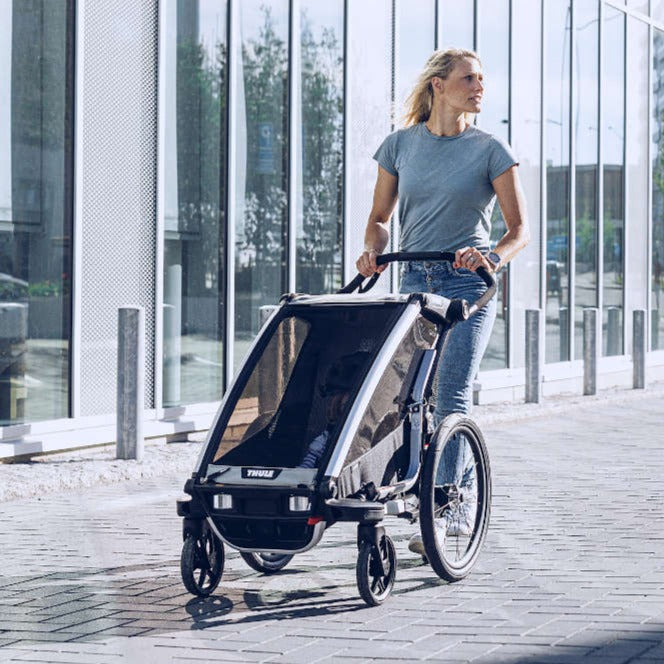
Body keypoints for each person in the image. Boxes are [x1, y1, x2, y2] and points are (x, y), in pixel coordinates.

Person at [355, 48, 529, 551]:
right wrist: (372, 250)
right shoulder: (399, 146)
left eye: (482, 78)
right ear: (438, 84)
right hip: (414, 281)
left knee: (451, 391)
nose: (480, 87)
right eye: (469, 78)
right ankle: (409, 486)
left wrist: (490, 257)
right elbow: (380, 219)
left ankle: (451, 505)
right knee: (409, 396)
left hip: (467, 285)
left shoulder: (491, 149)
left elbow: (519, 231)